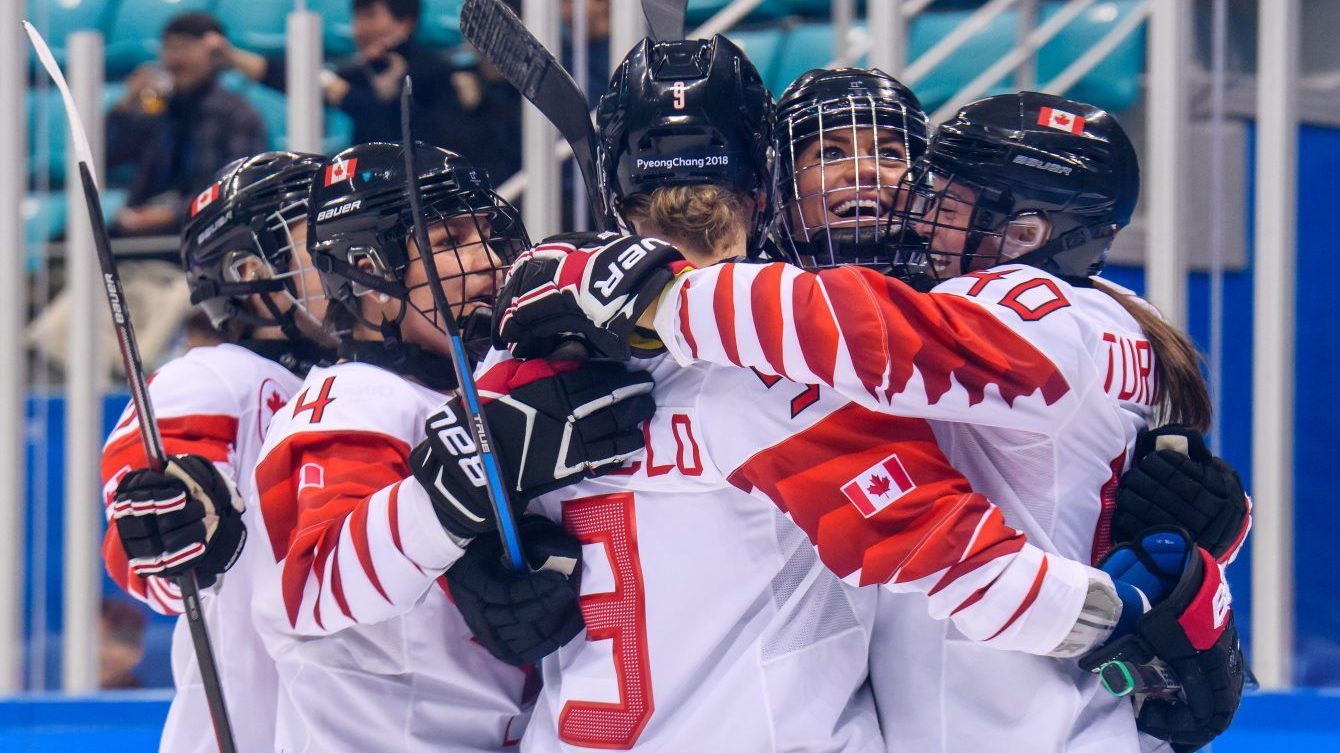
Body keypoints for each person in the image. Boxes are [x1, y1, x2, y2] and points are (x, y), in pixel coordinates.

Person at [493, 89, 1248, 752]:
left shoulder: (1027, 309)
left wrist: (653, 296)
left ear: (1023, 235)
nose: (909, 207)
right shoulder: (1105, 314)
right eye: (831, 152)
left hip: (1013, 719)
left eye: (930, 188)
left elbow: (883, 340)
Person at [249, 142, 653, 753]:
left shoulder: (473, 391)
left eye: (487, 233)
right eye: (448, 241)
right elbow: (315, 585)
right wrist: (466, 483)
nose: (488, 259)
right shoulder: (355, 398)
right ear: (369, 273)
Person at [101, 151, 337, 753]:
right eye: (321, 239)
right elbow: (142, 551)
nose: (350, 256)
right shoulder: (215, 378)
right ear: (252, 276)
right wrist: (170, 526)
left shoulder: (384, 385)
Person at [106, 13, 267, 237]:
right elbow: (106, 158)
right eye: (170, 48)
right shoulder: (158, 110)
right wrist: (125, 105)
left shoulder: (235, 115)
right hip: (144, 232)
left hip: (205, 233)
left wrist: (171, 214)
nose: (176, 59)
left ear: (213, 55)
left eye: (186, 48)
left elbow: (236, 191)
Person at [99, 599, 148, 690]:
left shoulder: (151, 703)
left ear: (138, 652)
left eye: (113, 641)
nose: (101, 652)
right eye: (96, 641)